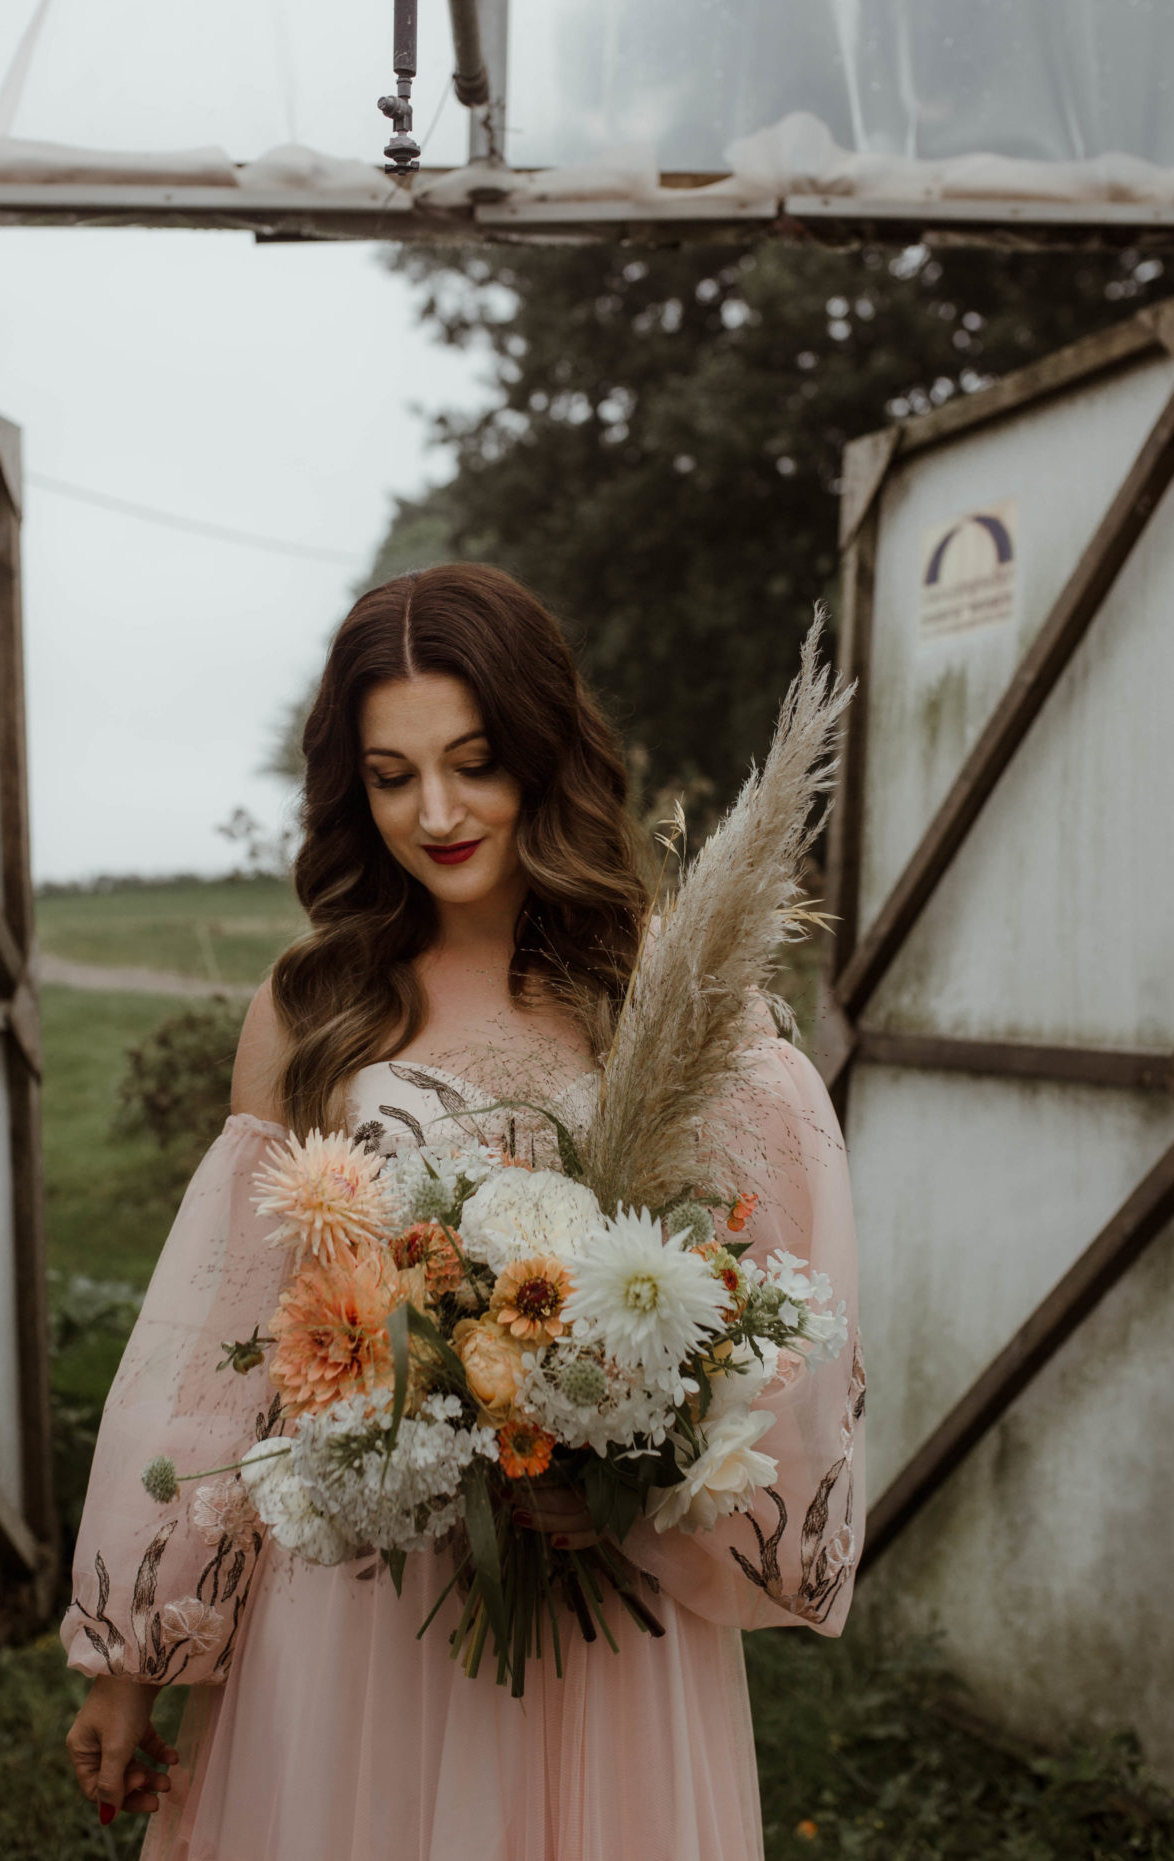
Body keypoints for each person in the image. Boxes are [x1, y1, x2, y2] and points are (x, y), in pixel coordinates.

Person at [63, 564, 864, 1861]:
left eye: (473, 760)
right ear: (351, 783)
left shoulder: (669, 984)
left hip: (604, 1604)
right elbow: (223, 1349)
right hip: (352, 1614)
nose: (434, 810)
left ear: (543, 750)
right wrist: (133, 1652)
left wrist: (628, 1462)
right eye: (391, 774)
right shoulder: (314, 1001)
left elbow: (780, 1306)